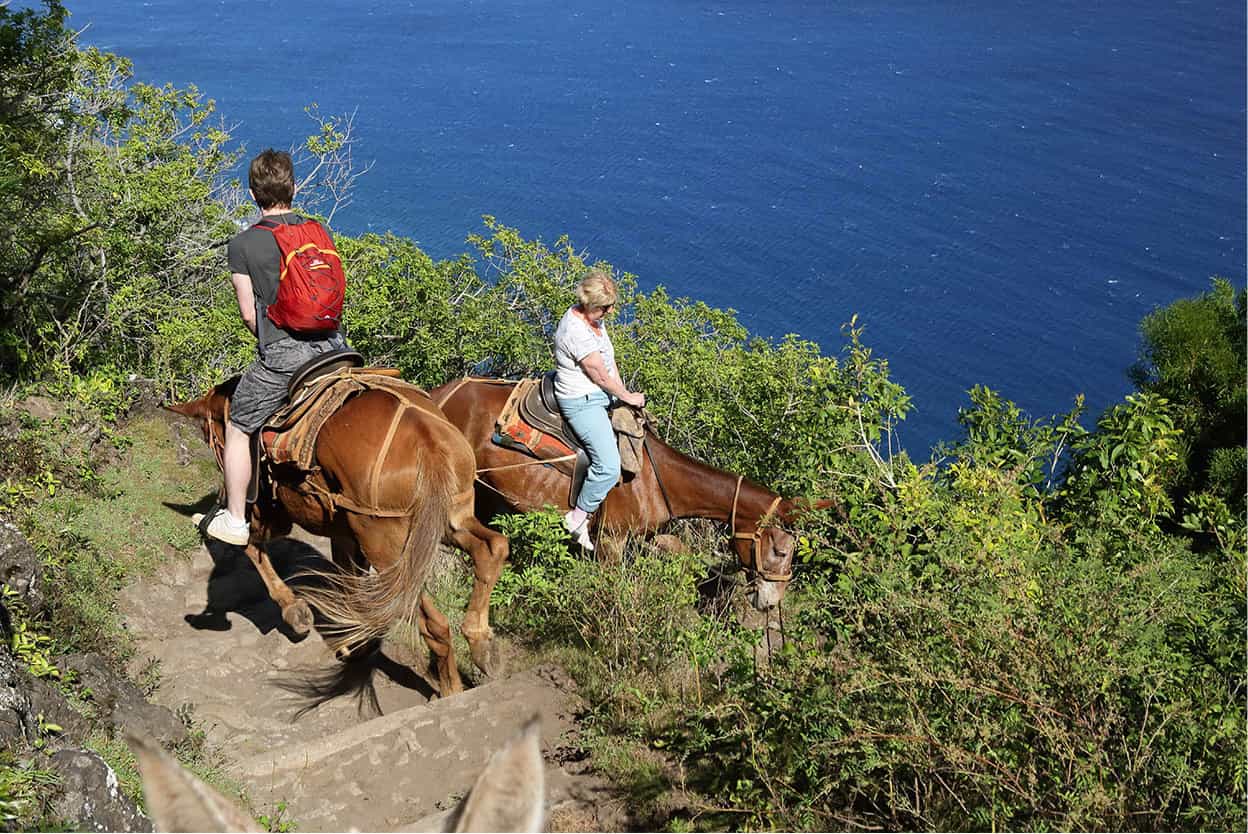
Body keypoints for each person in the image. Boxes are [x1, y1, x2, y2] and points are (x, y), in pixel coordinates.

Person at [200, 149, 348, 545]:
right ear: (294, 189)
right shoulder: (318, 230)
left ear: (252, 194)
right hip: (336, 348)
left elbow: (250, 315)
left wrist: (271, 338)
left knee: (238, 425)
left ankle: (235, 519)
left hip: (286, 356)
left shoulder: (243, 244)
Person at [553, 269, 645, 550]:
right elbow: (599, 375)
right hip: (581, 400)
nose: (611, 310)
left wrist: (623, 392)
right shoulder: (576, 331)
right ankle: (578, 517)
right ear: (592, 305)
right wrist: (626, 396)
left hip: (600, 393)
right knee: (607, 466)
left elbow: (608, 362)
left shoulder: (593, 320)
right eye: (606, 306)